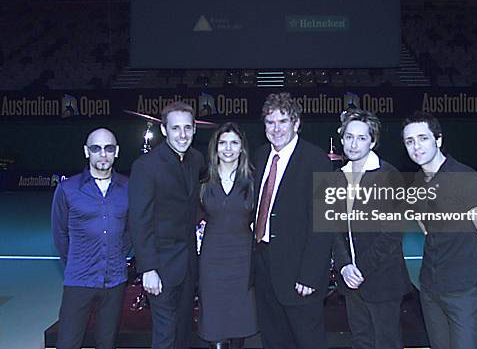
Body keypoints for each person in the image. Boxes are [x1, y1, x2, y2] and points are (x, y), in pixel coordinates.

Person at [402, 111, 477, 349]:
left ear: (438, 140)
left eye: (422, 138)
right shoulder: (417, 182)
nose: (416, 146)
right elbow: (425, 227)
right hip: (429, 290)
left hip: (463, 292)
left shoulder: (464, 178)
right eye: (409, 141)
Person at [253, 92, 333, 349]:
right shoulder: (260, 155)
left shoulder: (316, 159)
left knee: (307, 340)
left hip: (299, 272)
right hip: (264, 266)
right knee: (274, 339)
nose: (276, 129)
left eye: (283, 121)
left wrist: (310, 275)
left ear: (296, 124)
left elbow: (324, 223)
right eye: (270, 122)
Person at [128, 101, 205, 349]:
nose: (182, 135)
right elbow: (139, 221)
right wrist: (147, 268)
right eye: (175, 128)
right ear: (164, 130)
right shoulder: (145, 166)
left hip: (189, 265)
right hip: (160, 267)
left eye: (187, 128)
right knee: (165, 334)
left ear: (194, 129)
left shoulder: (197, 159)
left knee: (184, 330)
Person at [333, 110, 411, 349]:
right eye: (349, 137)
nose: (353, 144)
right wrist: (345, 266)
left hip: (382, 280)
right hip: (351, 281)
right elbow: (331, 228)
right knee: (361, 342)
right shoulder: (336, 177)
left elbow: (392, 233)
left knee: (386, 343)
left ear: (373, 141)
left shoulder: (389, 175)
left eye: (361, 138)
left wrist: (360, 268)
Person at [51, 128, 129, 349]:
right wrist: (80, 261)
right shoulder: (67, 189)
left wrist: (116, 254)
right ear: (87, 152)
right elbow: (60, 234)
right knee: (68, 342)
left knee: (107, 343)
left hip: (114, 281)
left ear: (117, 152)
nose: (103, 154)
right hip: (79, 281)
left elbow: (131, 230)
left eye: (109, 148)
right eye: (96, 148)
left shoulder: (128, 187)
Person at [198, 122, 258, 349]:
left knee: (239, 322)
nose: (228, 148)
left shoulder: (254, 180)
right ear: (215, 147)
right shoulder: (203, 180)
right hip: (212, 261)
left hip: (243, 261)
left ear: (242, 147)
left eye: (234, 143)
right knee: (214, 323)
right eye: (223, 143)